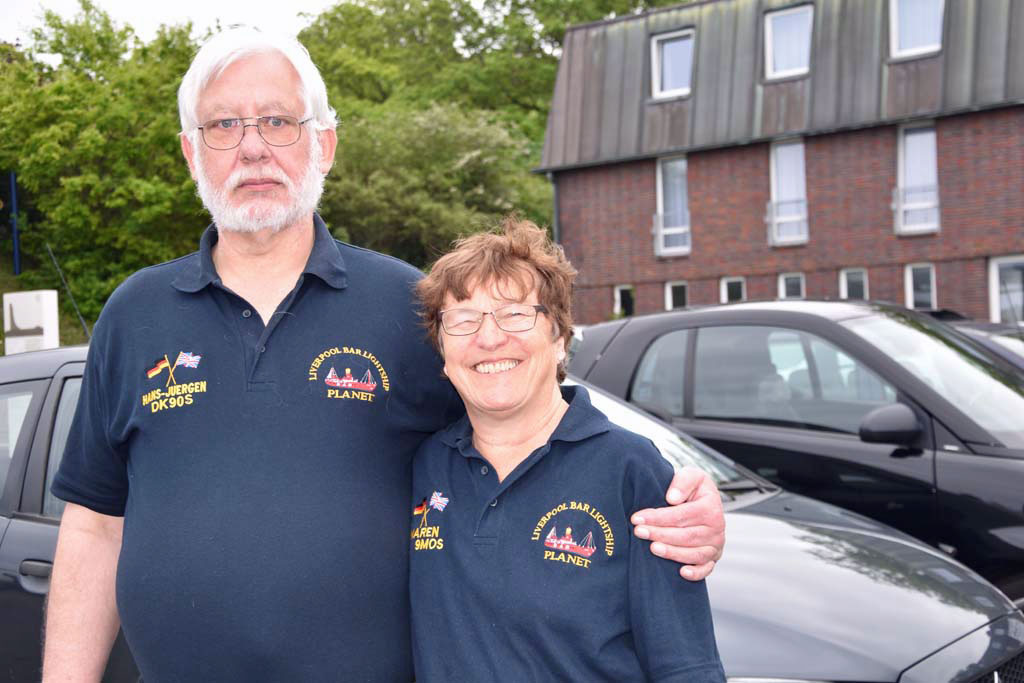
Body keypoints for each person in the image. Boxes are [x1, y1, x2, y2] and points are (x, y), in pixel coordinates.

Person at [42, 27, 726, 682]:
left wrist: (672, 500)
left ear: (325, 143)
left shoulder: (406, 304)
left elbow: (526, 428)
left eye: (278, 121)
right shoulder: (134, 315)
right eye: (223, 125)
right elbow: (95, 526)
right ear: (192, 153)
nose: (252, 147)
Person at [410, 218, 725, 681]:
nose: (489, 338)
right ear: (442, 351)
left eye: (515, 314)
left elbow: (685, 666)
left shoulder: (630, 469)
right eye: (462, 319)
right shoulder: (426, 465)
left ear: (559, 338)